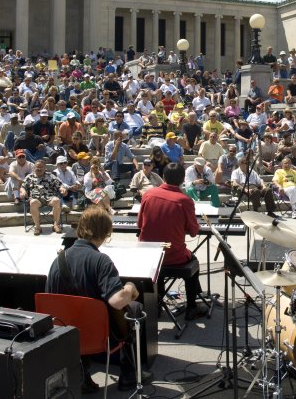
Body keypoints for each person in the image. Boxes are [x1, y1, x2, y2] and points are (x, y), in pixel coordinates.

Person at [45, 206, 152, 393]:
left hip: (64, 332)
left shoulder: (58, 260)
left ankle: (84, 373)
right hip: (96, 334)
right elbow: (117, 301)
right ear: (105, 233)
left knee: (80, 311)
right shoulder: (100, 260)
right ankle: (129, 374)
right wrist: (130, 287)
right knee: (134, 309)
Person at [137, 163, 208, 321]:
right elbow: (194, 231)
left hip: (149, 255)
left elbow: (140, 224)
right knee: (193, 261)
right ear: (183, 179)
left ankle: (156, 305)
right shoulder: (185, 200)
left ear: (163, 177)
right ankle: (192, 307)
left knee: (160, 264)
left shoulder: (148, 195)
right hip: (172, 257)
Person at [20, 159, 67, 235]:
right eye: (37, 167)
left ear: (45, 167)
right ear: (34, 168)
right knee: (33, 202)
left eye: (41, 167)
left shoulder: (51, 176)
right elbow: (23, 187)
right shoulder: (29, 177)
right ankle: (37, 227)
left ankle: (56, 225)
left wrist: (62, 189)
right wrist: (23, 192)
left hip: (50, 197)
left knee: (57, 201)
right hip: (36, 198)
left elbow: (60, 185)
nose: (39, 168)